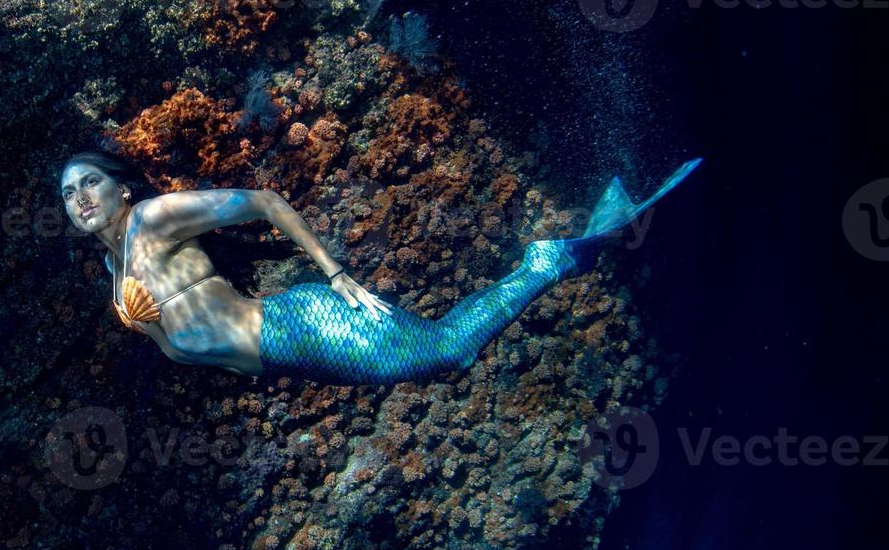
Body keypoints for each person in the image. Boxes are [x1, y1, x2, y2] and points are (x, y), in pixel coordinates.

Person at [59, 150, 701, 385]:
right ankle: (555, 258)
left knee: (448, 354)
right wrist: (153, 330)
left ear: (122, 190)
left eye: (89, 182)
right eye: (67, 194)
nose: (79, 198)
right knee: (443, 358)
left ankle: (550, 259)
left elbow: (261, 202)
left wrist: (333, 273)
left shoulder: (152, 220)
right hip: (290, 361)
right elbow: (184, 348)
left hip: (296, 327)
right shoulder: (117, 271)